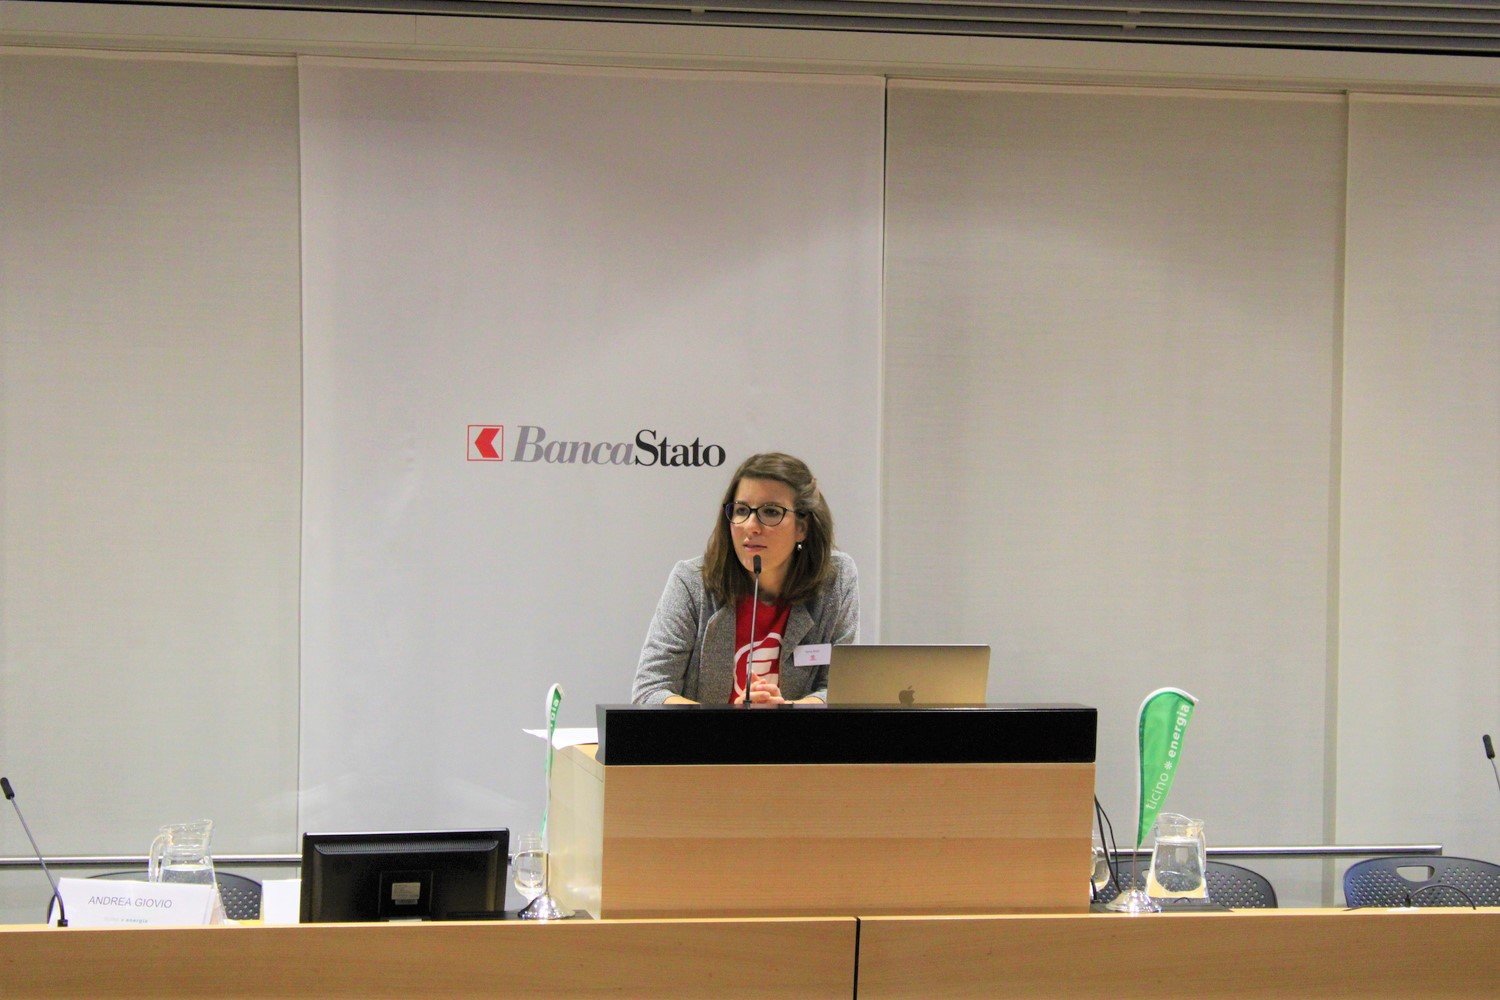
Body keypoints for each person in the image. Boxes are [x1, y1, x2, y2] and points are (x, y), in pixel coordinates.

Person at [631, 452, 858, 705]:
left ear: (802, 527)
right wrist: (729, 719)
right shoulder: (692, 582)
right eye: (741, 510)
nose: (750, 526)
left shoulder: (834, 580)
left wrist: (787, 711)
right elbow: (650, 691)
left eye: (770, 511)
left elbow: (841, 691)